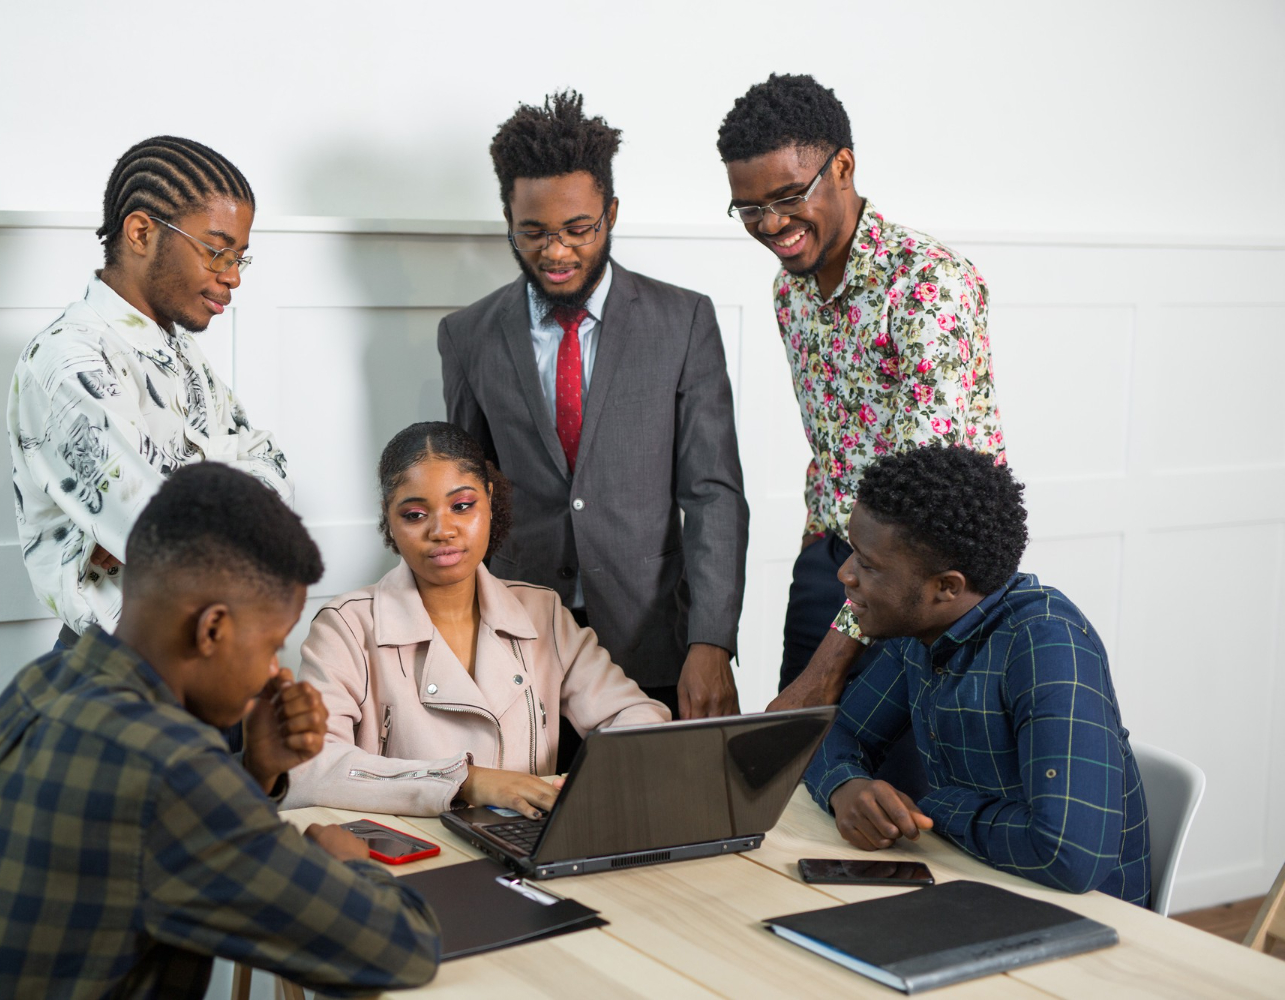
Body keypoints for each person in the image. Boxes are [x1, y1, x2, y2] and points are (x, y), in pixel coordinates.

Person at [0, 463, 441, 998]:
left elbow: (169, 847)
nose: (275, 670)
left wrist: (258, 769)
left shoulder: (42, 683)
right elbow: (401, 949)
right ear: (212, 630)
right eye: (271, 644)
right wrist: (349, 865)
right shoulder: (168, 770)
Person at [440, 91, 748, 738]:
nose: (556, 252)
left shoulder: (683, 322)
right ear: (507, 218)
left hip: (657, 646)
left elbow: (713, 494)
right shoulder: (468, 336)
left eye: (578, 229)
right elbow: (464, 498)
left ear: (611, 213)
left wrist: (711, 641)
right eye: (534, 232)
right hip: (519, 647)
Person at [716, 74, 1005, 714]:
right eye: (750, 208)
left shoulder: (929, 284)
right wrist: (815, 555)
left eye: (789, 196)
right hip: (836, 559)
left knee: (896, 800)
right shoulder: (788, 290)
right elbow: (830, 444)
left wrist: (825, 669)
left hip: (927, 588)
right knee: (796, 781)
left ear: (842, 165)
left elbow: (926, 507)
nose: (771, 224)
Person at [801, 447, 1150, 905]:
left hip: (1084, 920)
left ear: (947, 587)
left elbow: (1069, 856)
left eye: (867, 565)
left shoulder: (1046, 644)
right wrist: (846, 785)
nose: (846, 574)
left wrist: (932, 805)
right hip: (978, 883)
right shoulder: (920, 627)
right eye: (852, 555)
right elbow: (839, 730)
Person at [284, 422, 670, 819]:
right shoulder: (345, 627)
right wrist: (465, 780)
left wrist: (595, 776)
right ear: (390, 519)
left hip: (527, 846)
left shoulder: (544, 613)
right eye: (415, 514)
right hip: (413, 858)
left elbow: (636, 715)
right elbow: (309, 769)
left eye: (462, 506)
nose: (442, 530)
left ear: (488, 499)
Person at [10, 135, 293, 649]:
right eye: (216, 251)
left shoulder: (176, 349)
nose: (232, 276)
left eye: (239, 258)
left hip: (210, 657)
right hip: (128, 669)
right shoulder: (71, 359)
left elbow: (266, 461)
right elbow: (171, 542)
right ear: (141, 232)